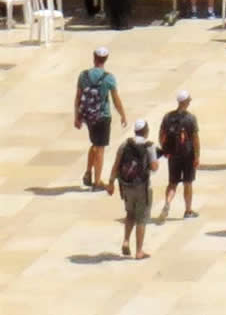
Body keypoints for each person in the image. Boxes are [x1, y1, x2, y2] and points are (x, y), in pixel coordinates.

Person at [75, 46, 128, 190]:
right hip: (103, 116)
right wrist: (122, 114)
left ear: (94, 57)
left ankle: (88, 172)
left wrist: (77, 117)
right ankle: (97, 181)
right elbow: (115, 99)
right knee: (100, 148)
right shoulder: (108, 78)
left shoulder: (83, 75)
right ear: (106, 59)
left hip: (88, 116)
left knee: (94, 143)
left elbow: (78, 97)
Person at [105, 118, 159, 259]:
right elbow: (154, 167)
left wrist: (111, 183)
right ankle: (139, 251)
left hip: (126, 185)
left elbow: (116, 164)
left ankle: (126, 241)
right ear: (145, 131)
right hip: (142, 187)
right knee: (141, 219)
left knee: (130, 214)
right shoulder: (149, 146)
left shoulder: (125, 144)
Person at [158, 90, 200, 221]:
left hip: (173, 155)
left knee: (172, 183)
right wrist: (197, 156)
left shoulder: (167, 117)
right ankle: (188, 211)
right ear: (186, 102)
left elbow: (161, 135)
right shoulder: (190, 118)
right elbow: (195, 139)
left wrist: (165, 149)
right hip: (188, 154)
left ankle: (167, 202)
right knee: (188, 183)